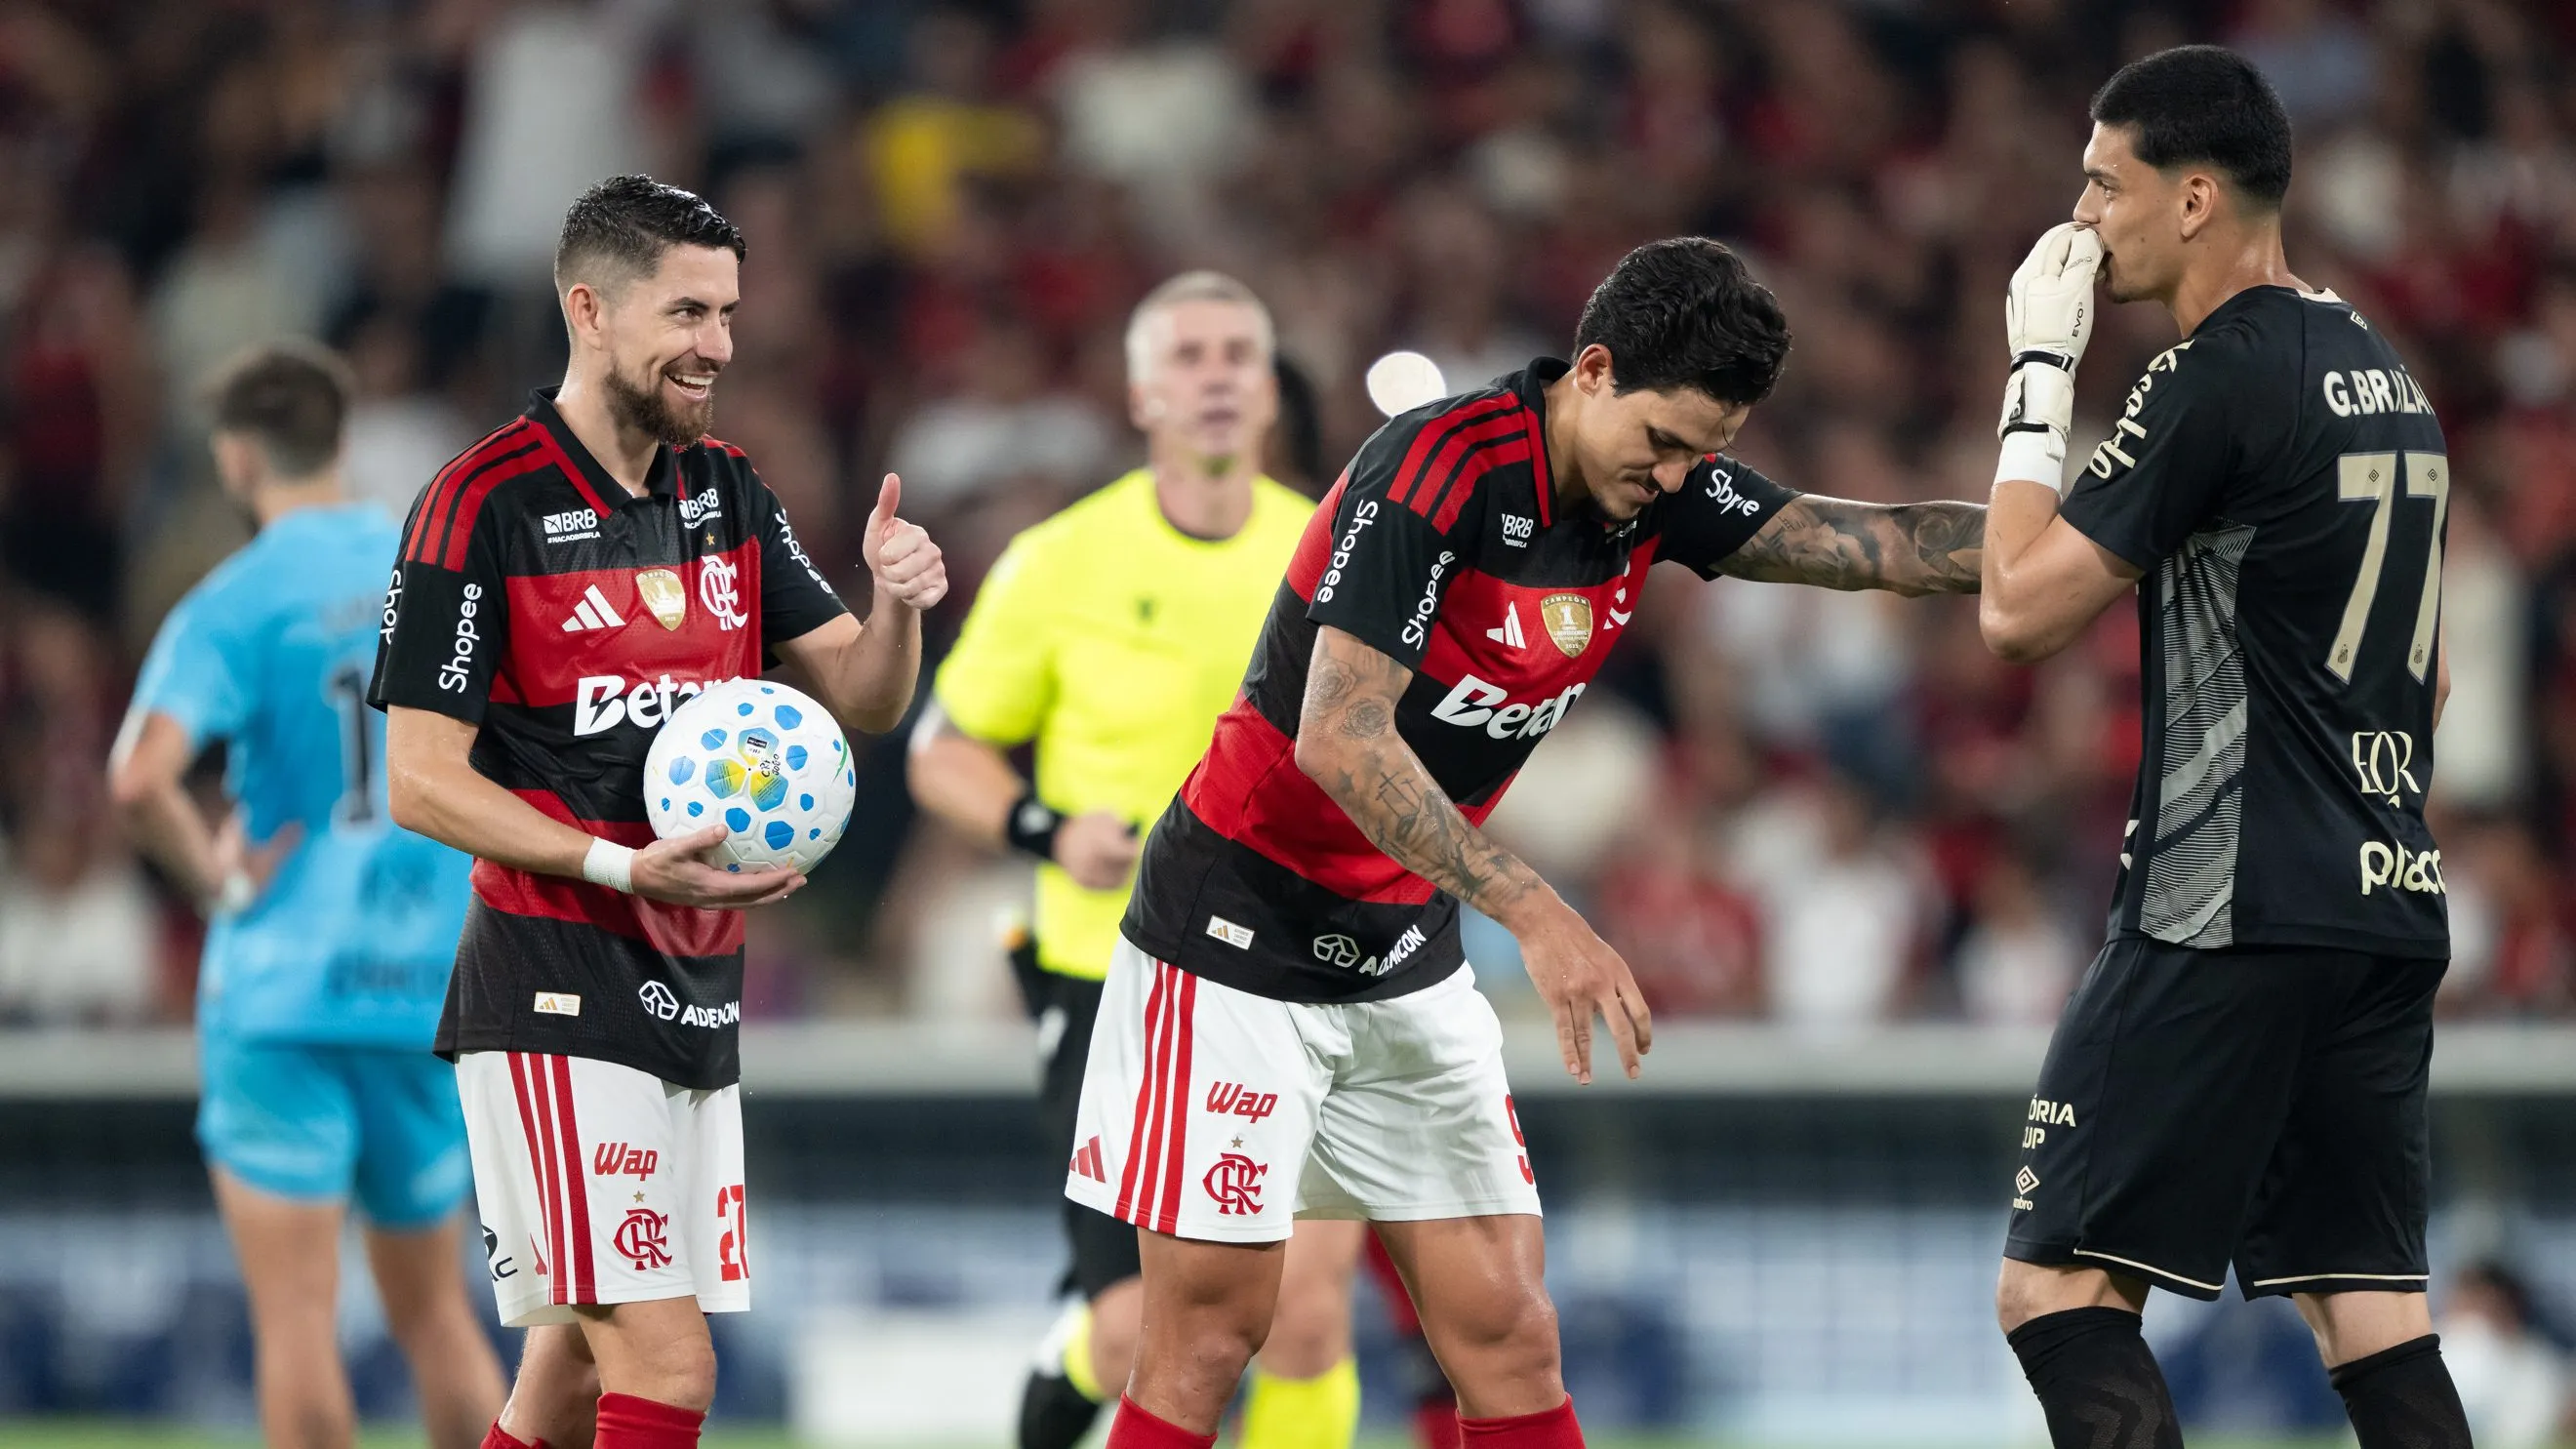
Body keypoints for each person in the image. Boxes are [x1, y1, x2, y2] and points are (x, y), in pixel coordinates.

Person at [1073, 236, 1987, 1449]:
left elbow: (1877, 546)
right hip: (1238, 929)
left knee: (1509, 1331)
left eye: (1703, 456)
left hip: (1401, 946)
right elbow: (1339, 739)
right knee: (1210, 1340)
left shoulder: (1653, 490)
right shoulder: (1435, 469)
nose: (1676, 479)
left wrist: (2113, 534)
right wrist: (1539, 912)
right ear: (1593, 370)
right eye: (1663, 443)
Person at [369, 175, 947, 1449]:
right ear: (589, 308)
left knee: (571, 1381)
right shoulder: (484, 503)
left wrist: (898, 600)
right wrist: (621, 868)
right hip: (554, 981)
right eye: (688, 311)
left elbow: (862, 695)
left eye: (728, 314)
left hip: (696, 985)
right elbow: (419, 778)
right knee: (669, 1363)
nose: (719, 347)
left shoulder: (727, 491)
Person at [1978, 47, 2470, 1449]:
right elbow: (2428, 677)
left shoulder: (2217, 371)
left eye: (2101, 182)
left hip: (2226, 905)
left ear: (2194, 198)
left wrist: (2037, 369)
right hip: (2381, 904)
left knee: (2054, 1290)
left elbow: (2017, 612)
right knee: (2370, 1308)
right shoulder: (2383, 371)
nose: (2080, 219)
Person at [909, 270, 1377, 1449]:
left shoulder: (1337, 558)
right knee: (1138, 1341)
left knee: (1306, 1314)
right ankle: (1072, 1347)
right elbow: (944, 750)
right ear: (1138, 395)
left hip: (1301, 973)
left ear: (1271, 393)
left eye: (1239, 355)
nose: (1216, 376)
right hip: (1109, 975)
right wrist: (1048, 832)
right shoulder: (1061, 559)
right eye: (1189, 356)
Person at [107, 342, 507, 1449]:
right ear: (340, 438)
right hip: (429, 989)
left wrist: (215, 874)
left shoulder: (231, 603)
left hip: (282, 994)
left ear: (238, 460)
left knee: (296, 1323)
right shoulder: (440, 578)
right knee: (437, 1315)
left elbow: (138, 778)